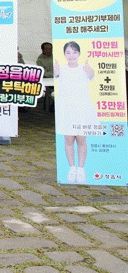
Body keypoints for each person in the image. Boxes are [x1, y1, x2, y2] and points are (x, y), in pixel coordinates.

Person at [54, 41, 96, 184]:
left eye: (74, 52)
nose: (71, 55)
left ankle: (81, 169)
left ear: (79, 53)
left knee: (82, 139)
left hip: (82, 109)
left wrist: (89, 70)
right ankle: (72, 168)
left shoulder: (85, 69)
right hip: (66, 109)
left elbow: (91, 75)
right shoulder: (61, 69)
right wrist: (56, 71)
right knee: (69, 139)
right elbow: (56, 74)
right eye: (68, 52)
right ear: (64, 54)